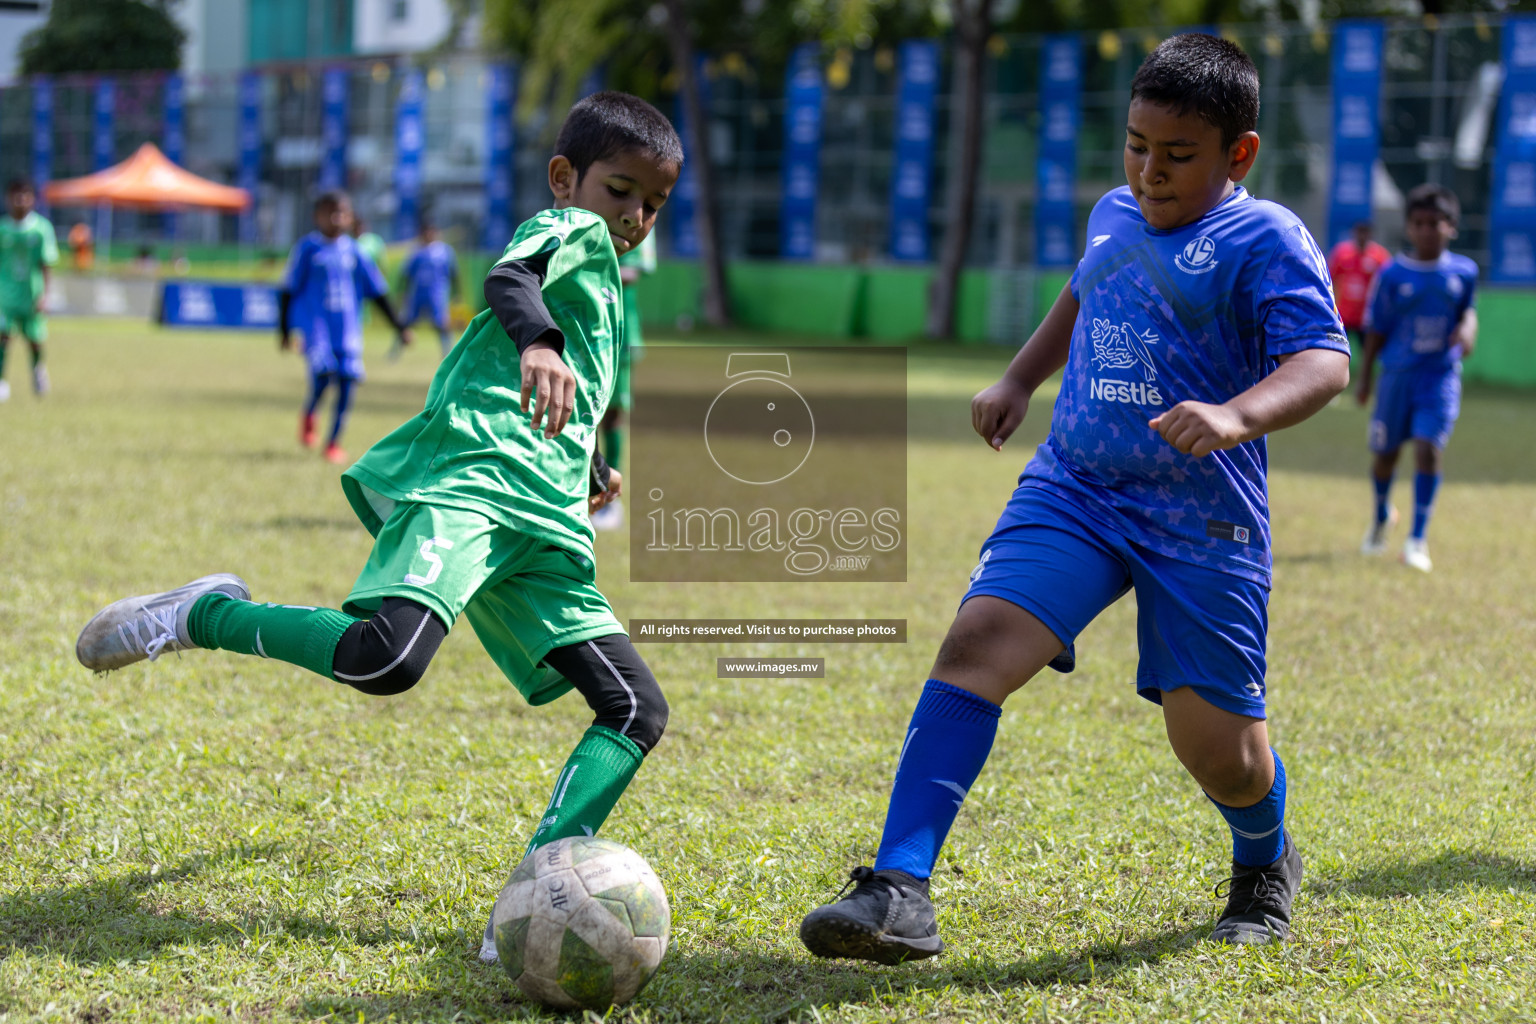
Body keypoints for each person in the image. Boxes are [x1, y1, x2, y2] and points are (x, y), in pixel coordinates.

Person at [73, 91, 683, 967]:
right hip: (478, 481)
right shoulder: (568, 231)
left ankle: (536, 888)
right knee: (384, 659)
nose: (633, 216)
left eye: (652, 204)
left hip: (545, 526)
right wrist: (539, 343)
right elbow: (510, 282)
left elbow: (575, 390)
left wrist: (590, 467)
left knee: (634, 708)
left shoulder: (614, 290)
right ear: (565, 179)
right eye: (620, 190)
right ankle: (203, 615)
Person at [798, 34, 1351, 964]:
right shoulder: (1111, 211)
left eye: (1177, 155)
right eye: (1136, 145)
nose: (1149, 171)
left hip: (1200, 516)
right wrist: (1018, 379)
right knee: (977, 644)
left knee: (1216, 747)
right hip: (1079, 488)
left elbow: (1324, 361)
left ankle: (1264, 858)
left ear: (1238, 154)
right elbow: (1082, 296)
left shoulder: (1266, 238)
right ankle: (900, 888)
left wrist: (1234, 414)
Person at [1354, 184, 1477, 573]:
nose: (1427, 230)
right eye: (1419, 223)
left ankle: (1417, 539)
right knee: (1385, 457)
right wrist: (1365, 378)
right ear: (1408, 227)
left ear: (1451, 227)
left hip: (1438, 376)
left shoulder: (1464, 272)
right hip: (1396, 378)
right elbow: (1377, 329)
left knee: (1428, 450)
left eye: (1435, 223)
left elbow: (1467, 312)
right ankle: (1380, 517)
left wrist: (1469, 329)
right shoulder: (1392, 276)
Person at [278, 191, 410, 464]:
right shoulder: (307, 249)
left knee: (348, 381)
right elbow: (288, 291)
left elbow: (378, 293)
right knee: (324, 375)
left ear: (350, 218)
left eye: (343, 213)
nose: (337, 218)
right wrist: (284, 331)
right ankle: (310, 412)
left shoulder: (356, 252)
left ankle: (333, 443)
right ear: (318, 216)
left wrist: (399, 327)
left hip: (348, 331)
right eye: (331, 212)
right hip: (317, 331)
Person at [591, 231, 656, 531]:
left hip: (619, 334)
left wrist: (588, 265)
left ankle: (609, 499)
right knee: (577, 416)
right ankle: (575, 497)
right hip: (582, 329)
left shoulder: (638, 219)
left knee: (612, 415)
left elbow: (631, 272)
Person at [0, 179, 59, 402]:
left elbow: (46, 264)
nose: (20, 200)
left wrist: (45, 295)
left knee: (34, 339)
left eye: (24, 195)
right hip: (5, 296)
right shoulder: (2, 229)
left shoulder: (41, 229)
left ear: (32, 199)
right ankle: (2, 382)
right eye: (16, 195)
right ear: (8, 199)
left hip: (31, 295)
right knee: (3, 337)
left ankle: (37, 371)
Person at [1327, 221, 1392, 363]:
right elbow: (1330, 279)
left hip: (1366, 316)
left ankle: (1365, 378)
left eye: (1365, 232)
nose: (1362, 236)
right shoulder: (1342, 254)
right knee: (1338, 351)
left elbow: (1386, 285)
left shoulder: (1379, 256)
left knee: (1369, 355)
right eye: (1359, 232)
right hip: (1344, 313)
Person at [397, 218, 460, 358]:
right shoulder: (416, 252)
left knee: (441, 325)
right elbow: (407, 275)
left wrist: (457, 293)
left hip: (437, 294)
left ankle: (448, 353)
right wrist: (403, 293)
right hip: (418, 294)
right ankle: (395, 352)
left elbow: (454, 273)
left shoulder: (445, 251)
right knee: (405, 324)